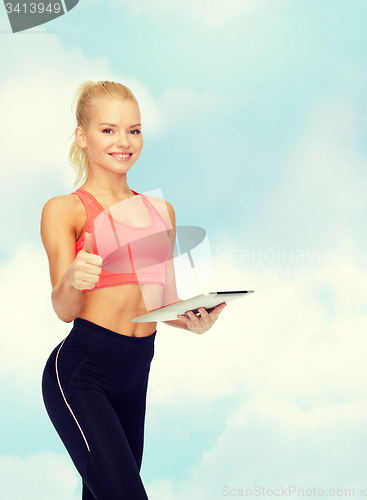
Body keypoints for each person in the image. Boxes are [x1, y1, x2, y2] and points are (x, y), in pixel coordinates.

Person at [40, 80, 226, 500]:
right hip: (82, 371)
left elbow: (164, 304)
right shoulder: (64, 209)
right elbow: (63, 309)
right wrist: (72, 279)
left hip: (136, 370)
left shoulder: (161, 211)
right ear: (82, 136)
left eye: (134, 130)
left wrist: (194, 319)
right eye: (108, 130)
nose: (123, 141)